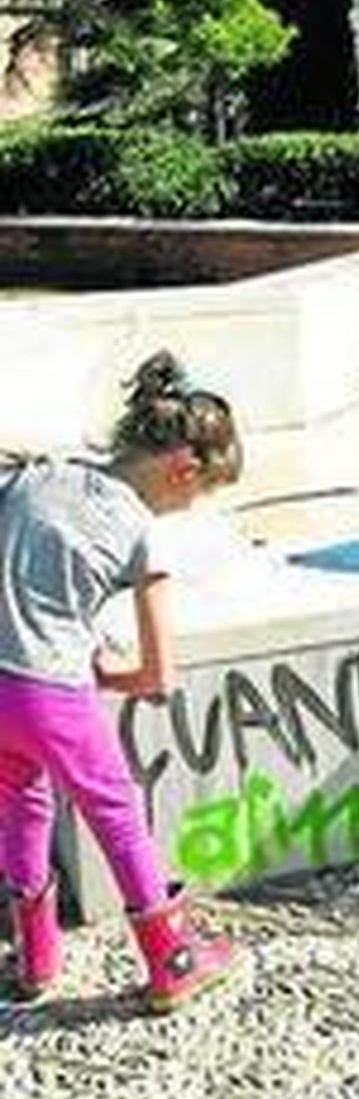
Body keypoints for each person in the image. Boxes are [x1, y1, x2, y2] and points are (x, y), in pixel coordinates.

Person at [1, 352, 244, 1012]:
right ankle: (172, 962)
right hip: (52, 692)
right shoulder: (141, 531)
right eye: (198, 495)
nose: (188, 508)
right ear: (182, 468)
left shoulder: (35, 476)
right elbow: (157, 674)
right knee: (116, 813)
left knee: (20, 802)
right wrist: (109, 670)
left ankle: (36, 958)